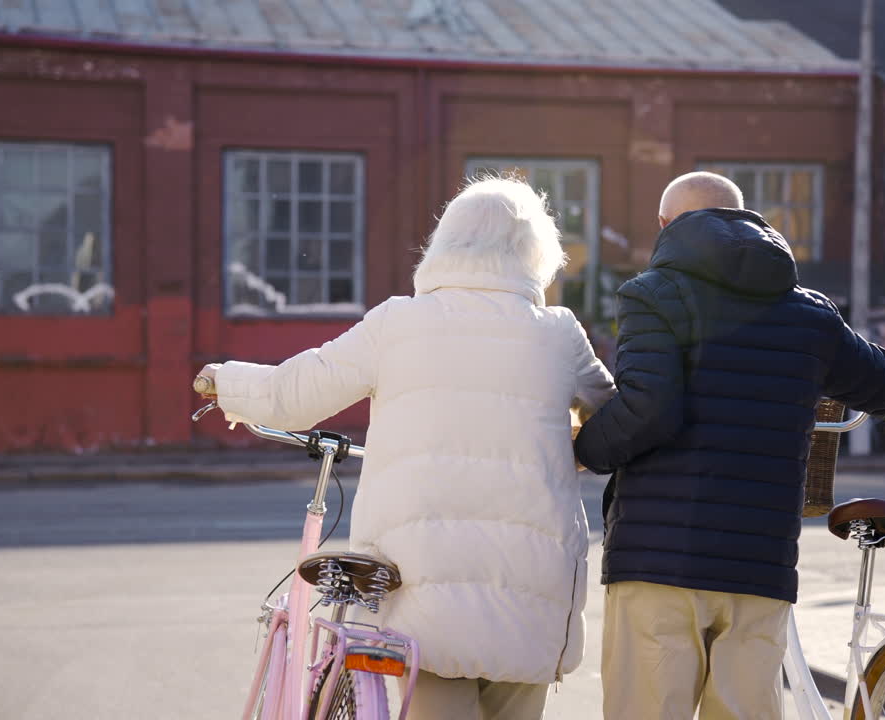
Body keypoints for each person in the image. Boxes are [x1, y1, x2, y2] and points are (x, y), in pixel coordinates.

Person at [198, 177, 615, 720]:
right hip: (531, 582)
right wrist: (570, 445)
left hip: (423, 579)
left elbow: (294, 393)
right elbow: (615, 417)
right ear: (537, 251)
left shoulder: (398, 323)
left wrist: (223, 382)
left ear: (445, 243)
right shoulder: (558, 333)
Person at [574, 172, 885, 720]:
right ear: (746, 221)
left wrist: (586, 450)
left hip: (660, 559)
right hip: (759, 564)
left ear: (666, 226)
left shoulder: (652, 294)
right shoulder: (810, 312)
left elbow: (649, 409)